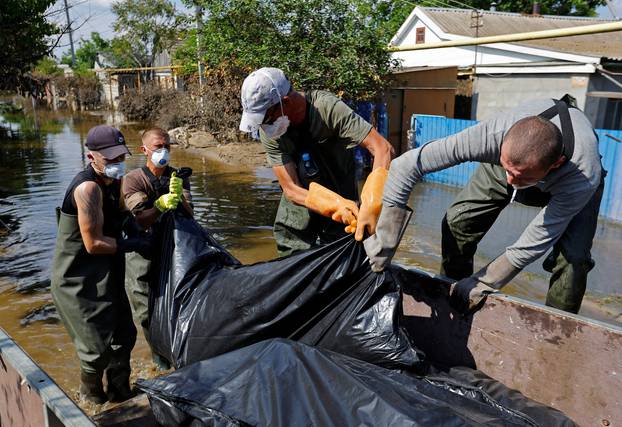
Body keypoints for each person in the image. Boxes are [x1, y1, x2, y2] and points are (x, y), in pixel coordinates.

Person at [365, 98, 604, 315]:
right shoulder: (492, 135)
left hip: (568, 182)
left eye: (520, 177)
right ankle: (455, 293)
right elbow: (405, 166)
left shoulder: (583, 176)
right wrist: (385, 241)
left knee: (574, 259)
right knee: (458, 221)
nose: (511, 182)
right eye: (507, 170)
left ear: (556, 164)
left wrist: (485, 281)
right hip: (517, 160)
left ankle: (558, 331)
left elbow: (534, 241)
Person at [239, 67, 394, 256]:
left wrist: (372, 202)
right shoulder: (270, 132)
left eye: (267, 118)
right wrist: (333, 205)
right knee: (291, 247)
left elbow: (382, 148)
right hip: (303, 194)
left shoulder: (327, 109)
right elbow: (290, 188)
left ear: (285, 103)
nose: (264, 126)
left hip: (339, 185)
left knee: (344, 250)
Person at [51, 125, 149, 404]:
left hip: (106, 272)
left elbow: (120, 213)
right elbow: (93, 244)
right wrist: (132, 245)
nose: (118, 164)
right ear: (92, 157)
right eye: (110, 159)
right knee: (95, 350)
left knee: (124, 335)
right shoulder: (87, 188)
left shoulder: (113, 182)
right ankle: (92, 402)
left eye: (121, 158)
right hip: (77, 280)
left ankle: (120, 395)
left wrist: (135, 226)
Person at [121, 127, 192, 369]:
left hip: (171, 252)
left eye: (167, 147)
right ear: (144, 150)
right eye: (157, 147)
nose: (163, 151)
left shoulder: (177, 176)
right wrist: (160, 205)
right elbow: (140, 219)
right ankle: (160, 363)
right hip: (142, 255)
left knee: (178, 305)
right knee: (146, 313)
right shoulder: (132, 179)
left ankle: (178, 356)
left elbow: (191, 215)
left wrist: (179, 195)